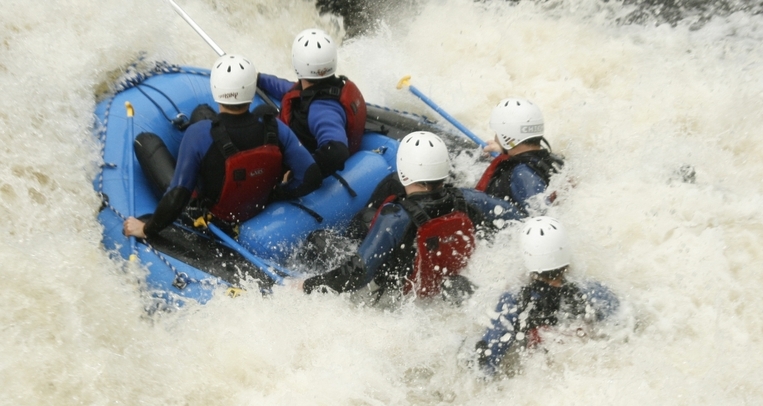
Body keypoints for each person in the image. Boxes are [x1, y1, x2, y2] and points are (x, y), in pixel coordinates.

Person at [297, 131, 526, 299]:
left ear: (404, 170)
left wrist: (308, 285)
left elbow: (359, 273)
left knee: (317, 239)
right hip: (445, 281)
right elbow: (515, 218)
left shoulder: (395, 216)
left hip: (396, 294)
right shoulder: (466, 198)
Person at [123, 54, 322, 239]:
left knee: (146, 141)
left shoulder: (198, 134)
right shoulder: (275, 127)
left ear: (217, 90)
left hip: (215, 218)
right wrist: (278, 193)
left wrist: (146, 229)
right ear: (251, 91)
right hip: (259, 202)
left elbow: (177, 196)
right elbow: (311, 175)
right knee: (201, 111)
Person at [474, 216, 619, 377]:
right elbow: (625, 324)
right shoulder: (592, 290)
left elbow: (486, 360)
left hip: (539, 377)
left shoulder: (514, 300)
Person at [257, 28, 367, 177]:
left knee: (260, 116)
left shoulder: (321, 110)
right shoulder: (332, 85)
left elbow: (337, 152)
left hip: (310, 166)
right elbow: (289, 90)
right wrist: (258, 78)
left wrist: (302, 172)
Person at [476, 98, 564, 214]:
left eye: (497, 133)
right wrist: (505, 151)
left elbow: (540, 214)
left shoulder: (521, 174)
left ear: (507, 136)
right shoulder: (556, 160)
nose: (495, 137)